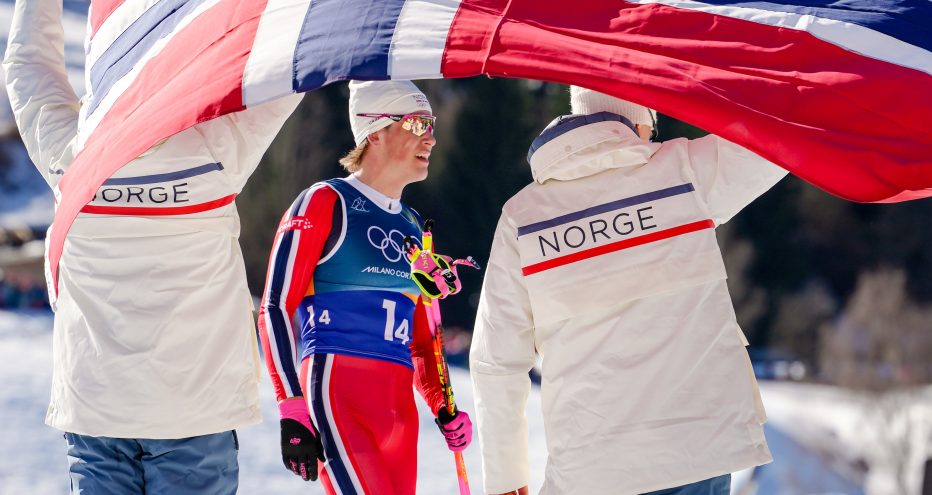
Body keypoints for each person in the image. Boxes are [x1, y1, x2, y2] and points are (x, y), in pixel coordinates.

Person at [3, 0, 300, 491]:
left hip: (96, 412)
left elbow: (27, 65)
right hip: (194, 413)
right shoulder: (214, 152)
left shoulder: (70, 160)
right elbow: (290, 62)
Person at [470, 87, 787, 495]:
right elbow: (783, 136)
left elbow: (497, 361)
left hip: (590, 470)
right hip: (696, 451)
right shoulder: (684, 171)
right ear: (638, 120)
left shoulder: (522, 219)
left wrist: (506, 482)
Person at [258, 80, 472, 495]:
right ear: (374, 131)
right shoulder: (326, 201)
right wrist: (291, 404)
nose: (430, 137)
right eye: (416, 124)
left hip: (398, 412)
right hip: (339, 394)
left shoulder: (414, 227)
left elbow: (422, 338)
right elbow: (276, 306)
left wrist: (442, 405)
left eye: (431, 124)